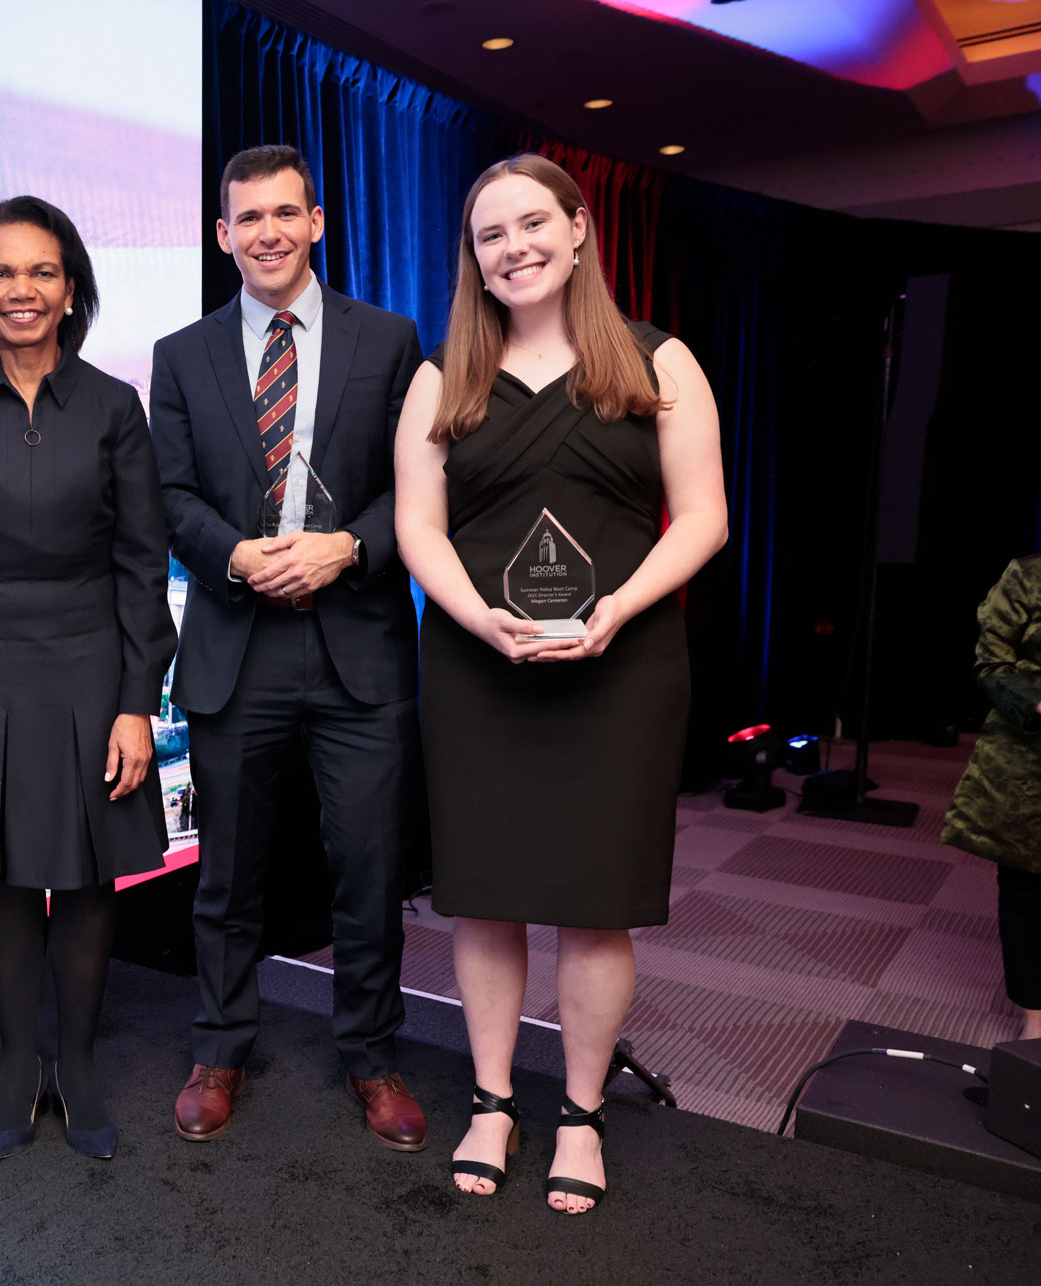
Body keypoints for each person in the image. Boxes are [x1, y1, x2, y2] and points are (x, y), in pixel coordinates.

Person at [393, 153, 726, 1212]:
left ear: (579, 230)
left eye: (532, 223)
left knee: (593, 905)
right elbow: (414, 525)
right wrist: (476, 619)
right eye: (489, 234)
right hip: (474, 666)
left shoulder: (656, 360)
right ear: (472, 259)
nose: (513, 247)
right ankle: (491, 1098)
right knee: (482, 899)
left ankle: (577, 1113)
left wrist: (615, 609)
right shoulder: (442, 372)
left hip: (619, 669)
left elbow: (705, 518)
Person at [149, 145, 429, 1151]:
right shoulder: (180, 356)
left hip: (356, 648)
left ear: (316, 222)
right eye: (245, 218)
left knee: (366, 867)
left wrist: (347, 546)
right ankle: (218, 1045)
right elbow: (169, 497)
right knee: (228, 876)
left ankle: (371, 1054)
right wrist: (234, 555)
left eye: (284, 212)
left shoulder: (390, 341)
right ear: (223, 235)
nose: (266, 231)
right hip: (236, 647)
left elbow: (416, 490)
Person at [0, 196, 175, 1160]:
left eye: (42, 272)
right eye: (1, 273)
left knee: (88, 876)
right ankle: (21, 1064)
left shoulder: (112, 405)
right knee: (8, 873)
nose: (22, 290)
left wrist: (139, 703)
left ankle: (80, 1066)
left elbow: (142, 564)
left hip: (93, 665)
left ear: (70, 290)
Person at [941, 555, 1041, 1042]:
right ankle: (1036, 1026)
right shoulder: (1026, 576)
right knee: (1027, 889)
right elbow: (992, 664)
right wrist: (1036, 702)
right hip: (1029, 765)